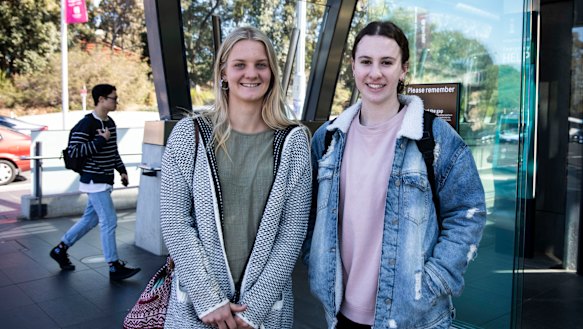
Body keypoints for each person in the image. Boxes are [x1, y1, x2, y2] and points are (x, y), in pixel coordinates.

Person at [303, 21, 487, 329]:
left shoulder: (433, 137)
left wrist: (434, 280)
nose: (375, 73)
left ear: (403, 69)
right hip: (339, 314)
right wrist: (317, 263)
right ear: (353, 67)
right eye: (366, 62)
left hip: (414, 317)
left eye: (386, 62)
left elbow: (468, 213)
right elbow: (306, 215)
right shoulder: (327, 138)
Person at [160, 26, 311, 329]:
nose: (251, 74)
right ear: (223, 73)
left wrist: (253, 310)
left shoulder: (294, 141)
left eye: (261, 64)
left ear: (272, 73)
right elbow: (174, 220)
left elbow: (292, 230)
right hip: (197, 309)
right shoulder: (190, 134)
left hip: (265, 312)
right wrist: (208, 299)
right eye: (239, 65)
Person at [50, 84, 141, 281]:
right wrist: (99, 141)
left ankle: (60, 249)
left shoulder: (110, 123)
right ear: (101, 99)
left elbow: (113, 151)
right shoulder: (86, 125)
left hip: (105, 179)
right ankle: (113, 266)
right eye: (113, 98)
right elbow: (74, 152)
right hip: (94, 180)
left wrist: (122, 170)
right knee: (109, 221)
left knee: (90, 220)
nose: (116, 102)